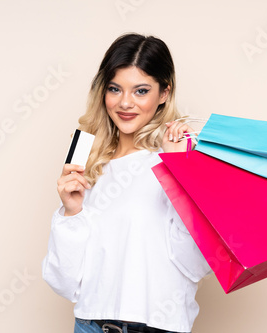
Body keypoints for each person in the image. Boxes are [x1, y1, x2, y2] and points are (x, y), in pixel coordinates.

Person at [42, 33, 211, 333]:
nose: (125, 103)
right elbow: (67, 284)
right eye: (115, 89)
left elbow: (195, 265)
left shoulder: (180, 156)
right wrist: (71, 214)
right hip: (90, 326)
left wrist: (180, 174)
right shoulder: (88, 164)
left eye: (141, 90)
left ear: (164, 94)